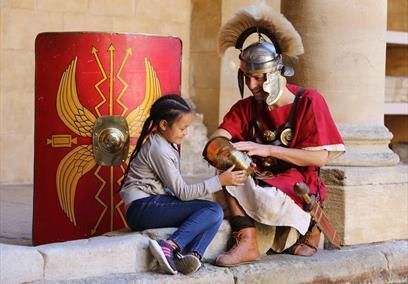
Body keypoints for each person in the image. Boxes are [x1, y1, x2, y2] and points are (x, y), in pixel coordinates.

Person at [210, 3, 346, 267]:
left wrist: (269, 149)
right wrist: (227, 149)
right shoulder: (247, 107)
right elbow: (217, 140)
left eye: (259, 78)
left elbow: (319, 158)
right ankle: (247, 240)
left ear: (276, 72)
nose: (252, 86)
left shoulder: (308, 101)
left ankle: (310, 228)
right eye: (247, 77)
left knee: (270, 195)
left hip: (296, 182)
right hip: (261, 177)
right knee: (224, 167)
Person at [120, 94, 247, 275]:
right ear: (164, 125)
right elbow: (182, 193)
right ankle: (170, 245)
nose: (185, 132)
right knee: (212, 210)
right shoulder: (159, 149)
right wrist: (220, 181)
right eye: (182, 128)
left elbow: (177, 190)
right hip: (142, 209)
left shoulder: (167, 143)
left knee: (213, 212)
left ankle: (192, 255)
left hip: (152, 205)